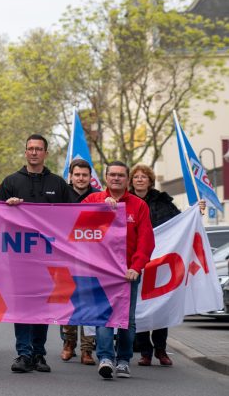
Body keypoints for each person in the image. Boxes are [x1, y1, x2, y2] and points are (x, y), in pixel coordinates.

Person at [0, 135, 73, 374]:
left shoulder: (59, 184)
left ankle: (39, 354)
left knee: (43, 307)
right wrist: (7, 208)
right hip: (19, 259)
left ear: (45, 153)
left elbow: (73, 215)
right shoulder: (10, 182)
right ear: (25, 151)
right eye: (30, 148)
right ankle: (23, 354)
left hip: (49, 258)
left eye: (38, 149)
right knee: (22, 306)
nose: (34, 153)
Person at [83, 161, 155, 379]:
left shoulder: (138, 205)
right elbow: (76, 227)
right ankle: (105, 358)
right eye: (112, 175)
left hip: (127, 273)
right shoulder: (92, 200)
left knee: (126, 319)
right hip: (102, 272)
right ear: (106, 177)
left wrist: (136, 267)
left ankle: (123, 360)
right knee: (104, 316)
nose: (116, 178)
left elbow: (146, 241)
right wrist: (99, 211)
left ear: (127, 179)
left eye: (121, 175)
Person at [129, 164, 205, 367]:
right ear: (131, 181)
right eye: (135, 177)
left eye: (143, 177)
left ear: (150, 181)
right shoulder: (126, 202)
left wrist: (196, 211)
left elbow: (180, 223)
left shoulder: (164, 202)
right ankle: (145, 351)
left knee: (161, 304)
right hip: (137, 261)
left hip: (161, 261)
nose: (139, 180)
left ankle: (161, 349)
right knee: (140, 306)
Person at [61, 158, 99, 365]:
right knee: (70, 302)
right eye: (77, 175)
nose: (81, 178)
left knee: (89, 305)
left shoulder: (99, 197)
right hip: (66, 257)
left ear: (90, 177)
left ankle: (87, 349)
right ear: (71, 176)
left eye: (85, 175)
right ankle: (69, 343)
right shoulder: (62, 194)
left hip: (92, 260)